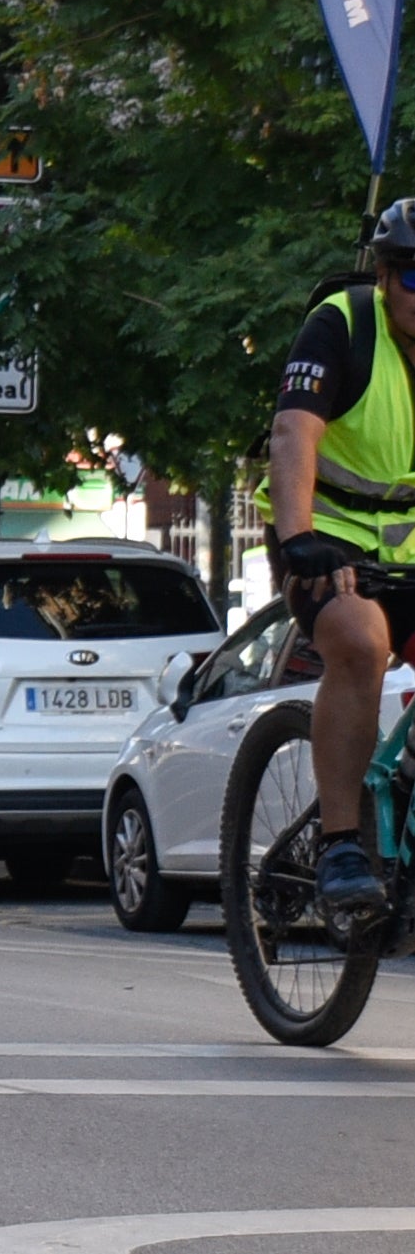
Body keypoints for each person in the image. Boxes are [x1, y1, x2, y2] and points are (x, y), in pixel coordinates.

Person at [259, 199, 415, 916]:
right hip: (328, 539)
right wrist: (297, 540)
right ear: (383, 277)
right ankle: (341, 842)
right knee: (360, 642)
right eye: (413, 279)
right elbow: (293, 433)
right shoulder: (343, 325)